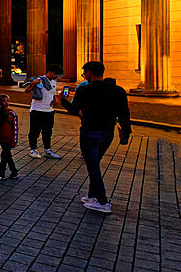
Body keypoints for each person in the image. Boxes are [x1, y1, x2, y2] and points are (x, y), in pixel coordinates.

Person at [60, 61, 131, 213]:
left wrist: (62, 100)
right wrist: (126, 132)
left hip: (89, 133)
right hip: (107, 133)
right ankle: (92, 196)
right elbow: (124, 113)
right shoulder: (118, 90)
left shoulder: (84, 91)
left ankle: (102, 201)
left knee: (93, 167)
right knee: (94, 164)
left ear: (90, 73)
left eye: (84, 73)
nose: (84, 76)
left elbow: (74, 110)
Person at [24, 63, 63, 159]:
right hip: (37, 110)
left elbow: (52, 95)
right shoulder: (39, 80)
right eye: (56, 74)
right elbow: (26, 90)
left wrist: (55, 100)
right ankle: (33, 149)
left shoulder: (53, 82)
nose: (57, 76)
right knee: (34, 131)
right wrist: (33, 83)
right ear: (50, 72)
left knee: (48, 132)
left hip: (49, 111)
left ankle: (47, 150)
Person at [0, 94, 19, 179]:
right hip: (2, 137)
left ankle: (1, 173)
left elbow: (15, 128)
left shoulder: (10, 113)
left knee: (4, 155)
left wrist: (14, 140)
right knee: (7, 156)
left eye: (7, 100)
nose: (6, 102)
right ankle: (14, 172)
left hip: (8, 138)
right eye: (4, 101)